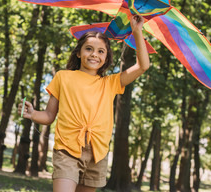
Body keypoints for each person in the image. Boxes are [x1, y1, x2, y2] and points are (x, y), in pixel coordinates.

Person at [18, 14, 150, 192]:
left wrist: (137, 31)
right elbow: (49, 116)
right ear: (79, 53)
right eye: (89, 49)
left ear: (106, 57)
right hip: (67, 149)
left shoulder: (110, 83)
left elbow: (143, 66)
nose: (94, 54)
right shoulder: (62, 77)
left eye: (101, 51)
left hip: (97, 154)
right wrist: (32, 114)